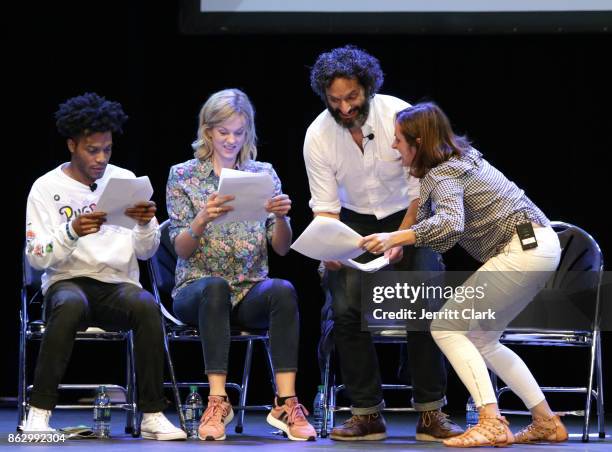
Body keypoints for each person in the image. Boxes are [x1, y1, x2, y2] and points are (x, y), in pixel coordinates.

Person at [360, 102, 568, 447]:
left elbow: (449, 224)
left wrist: (395, 237)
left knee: (446, 326)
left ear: (417, 141)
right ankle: (546, 420)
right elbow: (435, 217)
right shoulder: (460, 161)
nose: (394, 146)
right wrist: (401, 241)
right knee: (482, 338)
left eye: (398, 139)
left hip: (525, 249)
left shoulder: (443, 173)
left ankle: (491, 421)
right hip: (538, 246)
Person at [304, 45, 463, 442]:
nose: (343, 108)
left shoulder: (399, 114)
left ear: (368, 88)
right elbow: (325, 208)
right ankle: (366, 414)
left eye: (352, 98)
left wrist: (400, 238)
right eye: (335, 99)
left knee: (422, 301)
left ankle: (430, 413)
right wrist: (332, 250)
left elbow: (419, 189)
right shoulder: (318, 135)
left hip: (411, 214)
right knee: (345, 308)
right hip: (354, 219)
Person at [24, 93, 186, 440]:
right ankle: (38, 413)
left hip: (117, 284)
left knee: (146, 305)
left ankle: (152, 414)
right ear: (72, 145)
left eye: (107, 150)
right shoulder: (45, 187)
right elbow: (35, 255)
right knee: (69, 304)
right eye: (91, 150)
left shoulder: (125, 180)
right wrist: (72, 230)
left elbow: (145, 253)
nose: (100, 158)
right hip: (69, 281)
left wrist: (144, 225)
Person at [166, 88, 316, 442]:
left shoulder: (262, 173)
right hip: (196, 290)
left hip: (249, 289)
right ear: (208, 131)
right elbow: (181, 249)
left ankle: (285, 401)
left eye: (239, 132)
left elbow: (280, 248)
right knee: (215, 288)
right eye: (224, 132)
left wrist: (281, 218)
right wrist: (201, 219)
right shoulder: (184, 175)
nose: (231, 140)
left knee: (283, 289)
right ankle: (217, 400)